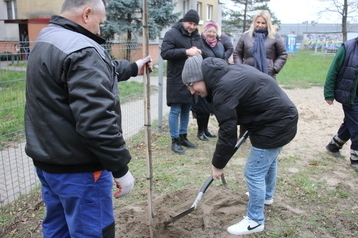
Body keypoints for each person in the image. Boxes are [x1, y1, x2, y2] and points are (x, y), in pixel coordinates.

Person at [24, 0, 152, 237]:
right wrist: (120, 169)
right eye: (99, 23)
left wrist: (133, 67)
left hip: (49, 163)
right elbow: (97, 122)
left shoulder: (47, 37)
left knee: (57, 226)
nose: (99, 30)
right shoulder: (83, 49)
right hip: (80, 171)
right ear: (86, 14)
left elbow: (98, 72)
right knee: (92, 231)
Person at [181, 55, 298, 235]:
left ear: (201, 77)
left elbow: (227, 134)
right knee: (268, 161)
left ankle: (255, 220)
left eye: (191, 85)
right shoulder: (228, 72)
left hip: (276, 123)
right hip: (279, 117)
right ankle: (266, 197)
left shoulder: (223, 89)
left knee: (253, 172)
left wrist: (217, 165)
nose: (191, 91)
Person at [324, 17, 358, 173]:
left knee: (352, 123)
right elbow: (333, 70)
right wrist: (329, 93)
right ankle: (357, 159)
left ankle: (333, 146)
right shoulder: (347, 47)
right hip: (351, 94)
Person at [233, 10, 288, 137]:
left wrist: (273, 68)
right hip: (247, 77)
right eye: (258, 22)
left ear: (267, 23)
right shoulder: (246, 36)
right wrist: (240, 68)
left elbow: (283, 54)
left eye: (263, 23)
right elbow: (237, 54)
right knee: (245, 105)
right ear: (254, 22)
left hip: (266, 77)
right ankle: (243, 135)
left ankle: (261, 134)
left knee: (265, 106)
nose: (260, 25)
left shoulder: (275, 36)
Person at [161, 9, 204, 154]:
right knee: (175, 110)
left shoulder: (196, 36)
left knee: (187, 108)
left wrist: (198, 52)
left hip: (192, 78)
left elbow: (201, 50)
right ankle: (175, 140)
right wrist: (186, 51)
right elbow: (165, 53)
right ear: (183, 21)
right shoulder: (172, 34)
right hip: (176, 78)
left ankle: (183, 136)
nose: (191, 26)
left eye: (194, 24)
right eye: (189, 23)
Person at [192, 20, 234, 141]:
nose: (211, 34)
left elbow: (223, 56)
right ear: (204, 31)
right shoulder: (200, 43)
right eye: (209, 31)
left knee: (210, 106)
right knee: (201, 106)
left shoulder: (218, 44)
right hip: (203, 78)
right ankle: (200, 131)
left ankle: (206, 129)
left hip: (214, 79)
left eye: (214, 31)